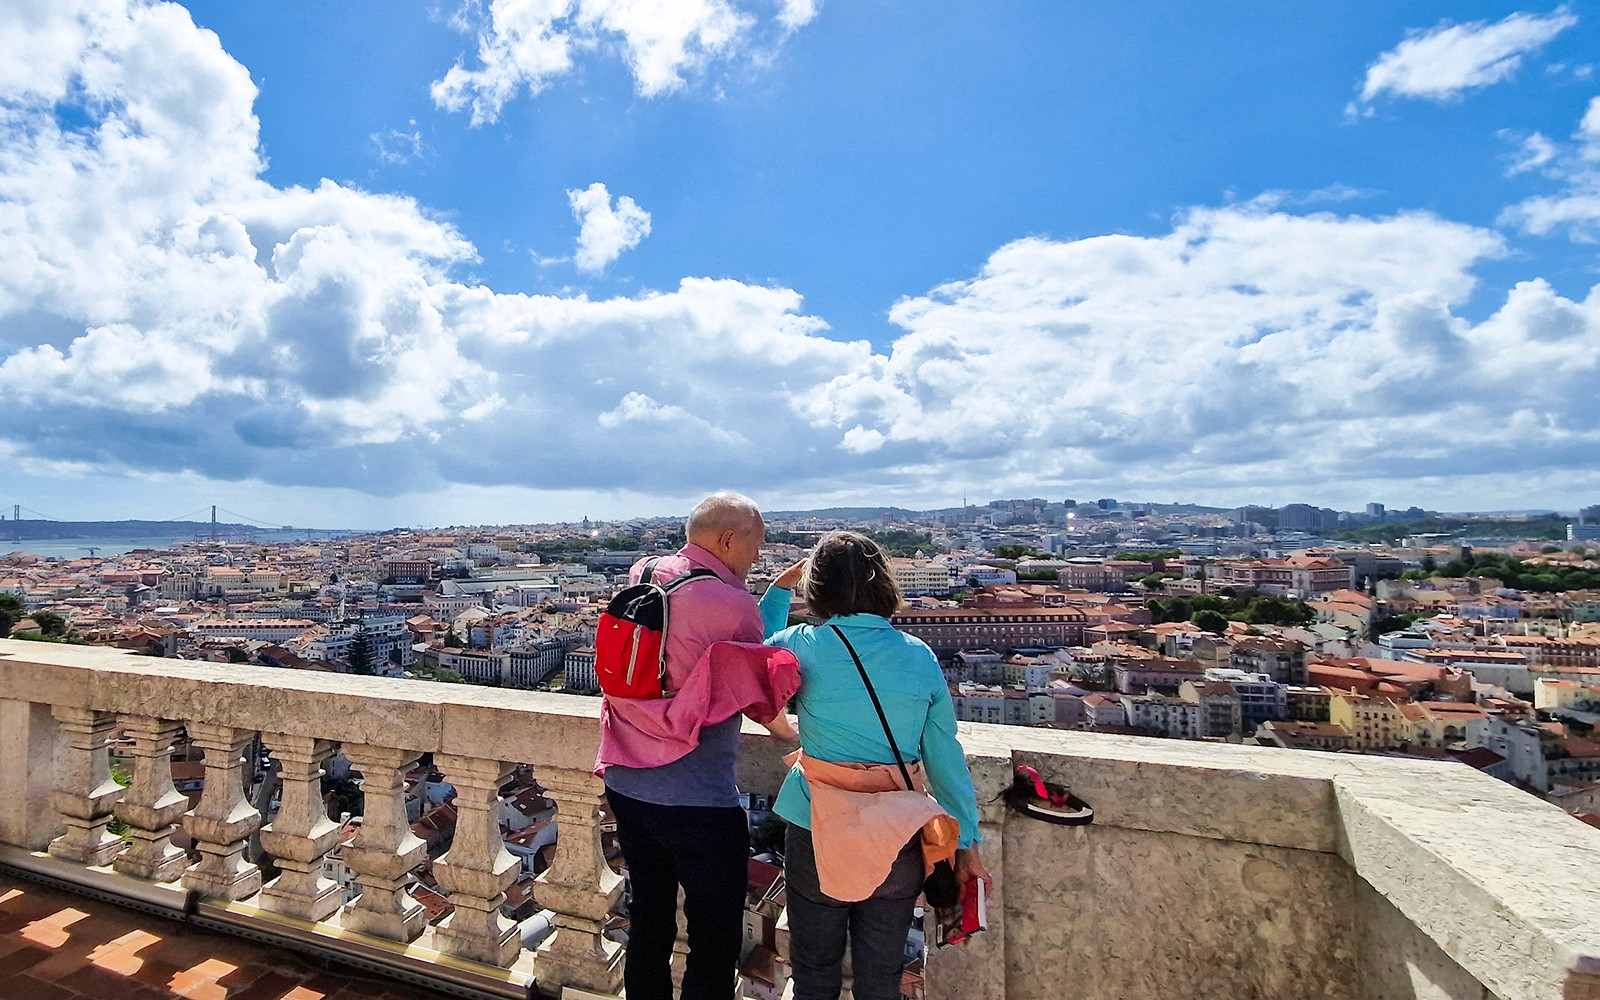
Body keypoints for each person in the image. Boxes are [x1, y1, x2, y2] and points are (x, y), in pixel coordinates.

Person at [760, 531, 990, 1000]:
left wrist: (779, 590)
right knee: (882, 974)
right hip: (897, 828)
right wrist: (965, 842)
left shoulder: (798, 646)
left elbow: (754, 652)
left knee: (814, 970)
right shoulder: (917, 655)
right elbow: (945, 759)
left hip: (816, 823)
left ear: (816, 588)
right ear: (883, 583)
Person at [600, 491, 796, 1000]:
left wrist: (771, 592)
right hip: (696, 796)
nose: (760, 555)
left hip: (625, 778)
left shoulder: (643, 572)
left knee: (649, 917)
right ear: (728, 539)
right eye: (756, 544)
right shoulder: (731, 604)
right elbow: (757, 671)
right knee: (714, 935)